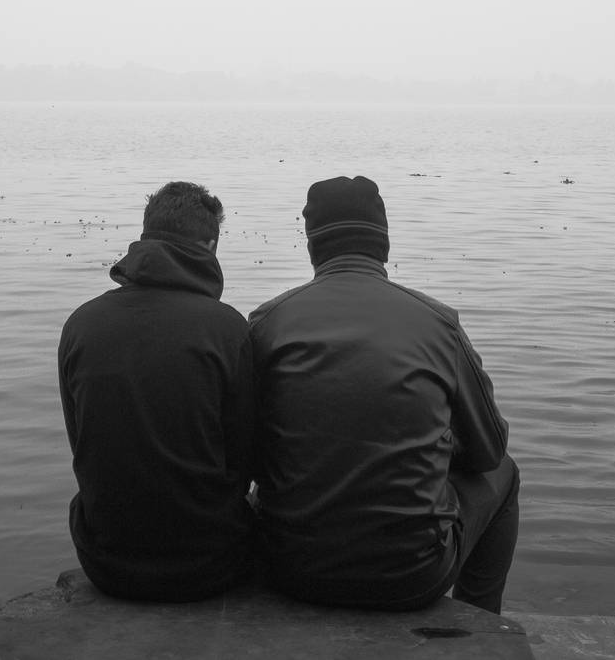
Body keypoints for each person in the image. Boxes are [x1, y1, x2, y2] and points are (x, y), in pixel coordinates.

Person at [247, 175, 518, 613]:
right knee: (506, 474)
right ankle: (479, 628)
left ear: (313, 248)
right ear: (385, 247)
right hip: (411, 576)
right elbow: (488, 452)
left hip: (287, 569)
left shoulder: (268, 323)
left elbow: (250, 455)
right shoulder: (437, 324)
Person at [58, 181, 256, 600]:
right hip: (211, 565)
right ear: (209, 244)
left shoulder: (81, 324)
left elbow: (82, 442)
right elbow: (244, 460)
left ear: (145, 238)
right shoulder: (226, 328)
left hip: (105, 564)